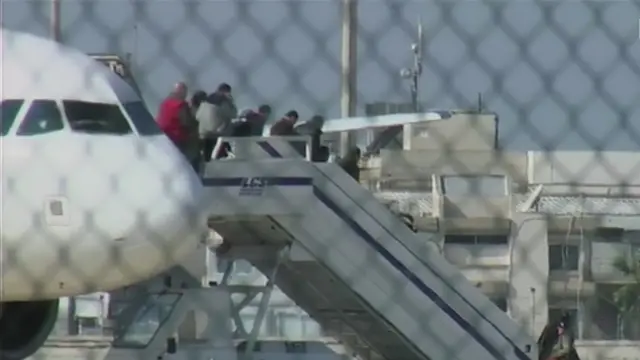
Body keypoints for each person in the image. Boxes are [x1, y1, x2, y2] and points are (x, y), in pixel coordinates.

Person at [157, 82, 200, 171]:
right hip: (178, 135)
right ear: (182, 92)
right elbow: (186, 122)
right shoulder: (181, 105)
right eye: (185, 92)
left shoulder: (165, 102)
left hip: (163, 134)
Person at [196, 83, 238, 161]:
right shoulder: (224, 101)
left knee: (206, 155)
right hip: (216, 132)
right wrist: (231, 102)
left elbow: (197, 116)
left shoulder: (206, 100)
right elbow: (233, 114)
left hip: (203, 132)